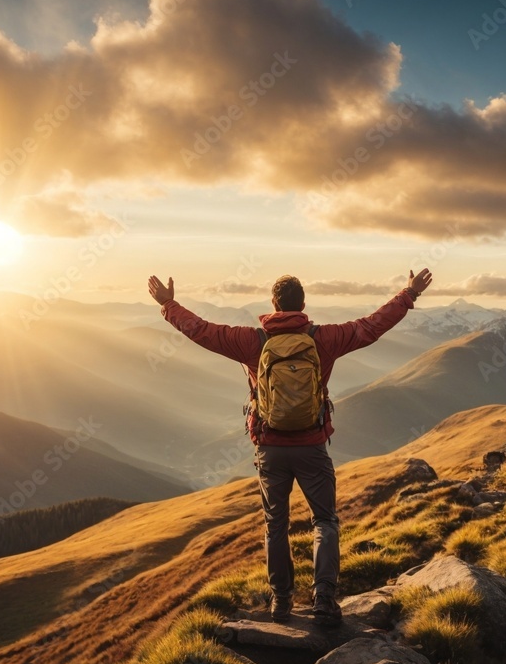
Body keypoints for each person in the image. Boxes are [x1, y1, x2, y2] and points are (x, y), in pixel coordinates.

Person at [148, 268, 433, 626]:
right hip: (312, 445)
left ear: (274, 305)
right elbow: (371, 326)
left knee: (275, 525)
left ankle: (281, 602)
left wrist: (169, 305)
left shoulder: (252, 341)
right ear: (303, 305)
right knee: (325, 521)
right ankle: (324, 601)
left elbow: (202, 332)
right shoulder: (324, 339)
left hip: (269, 447)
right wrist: (409, 295)